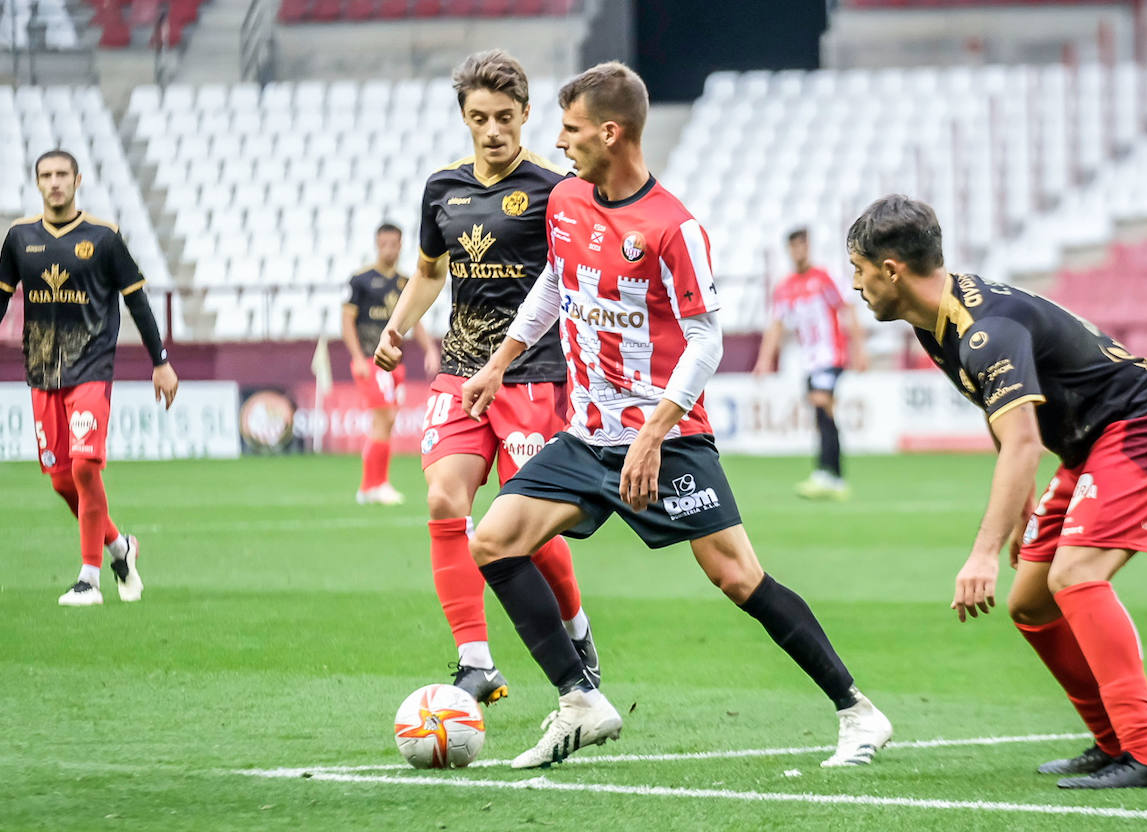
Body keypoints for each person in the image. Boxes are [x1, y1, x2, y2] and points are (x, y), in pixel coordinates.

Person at [461, 62, 892, 770]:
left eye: (570, 130)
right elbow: (553, 285)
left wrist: (655, 430)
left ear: (611, 132)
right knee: (495, 540)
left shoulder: (673, 228)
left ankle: (858, 711)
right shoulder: (566, 200)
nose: (559, 144)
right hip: (587, 436)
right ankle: (579, 701)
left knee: (738, 577)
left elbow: (706, 337)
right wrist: (500, 361)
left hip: (664, 437)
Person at [846, 194, 1147, 789]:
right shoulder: (937, 321)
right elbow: (1007, 419)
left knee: (1075, 577)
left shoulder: (985, 331)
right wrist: (1021, 512)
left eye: (857, 270)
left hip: (1144, 425)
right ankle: (1113, 742)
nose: (855, 286)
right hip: (1089, 446)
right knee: (1031, 604)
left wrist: (983, 552)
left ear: (891, 269)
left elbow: (1023, 441)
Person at [374, 50, 599, 705]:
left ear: (526, 115)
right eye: (480, 118)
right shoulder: (442, 189)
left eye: (505, 117)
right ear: (465, 119)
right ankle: (477, 662)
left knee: (523, 524)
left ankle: (576, 630)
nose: (493, 129)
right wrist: (395, 328)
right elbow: (427, 271)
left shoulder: (557, 189)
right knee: (446, 500)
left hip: (533, 377)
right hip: (461, 372)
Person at [0, 149, 179, 607]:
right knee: (63, 481)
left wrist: (159, 361)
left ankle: (89, 579)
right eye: (46, 175)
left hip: (92, 367)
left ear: (78, 180)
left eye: (62, 174)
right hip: (42, 370)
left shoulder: (104, 237)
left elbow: (137, 301)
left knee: (85, 467)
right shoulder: (20, 238)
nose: (55, 182)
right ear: (37, 182)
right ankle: (121, 548)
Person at [753, 227, 867, 500]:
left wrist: (859, 349)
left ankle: (825, 474)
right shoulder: (785, 287)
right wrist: (764, 359)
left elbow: (847, 308)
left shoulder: (824, 278)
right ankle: (835, 478)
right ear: (789, 250)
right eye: (794, 247)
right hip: (808, 361)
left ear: (808, 247)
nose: (799, 251)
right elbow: (776, 324)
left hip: (830, 355)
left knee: (820, 402)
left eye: (803, 245)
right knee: (822, 414)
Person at [342, 222, 439, 505]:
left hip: (396, 363)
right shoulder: (360, 280)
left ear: (400, 245)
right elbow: (347, 321)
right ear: (376, 244)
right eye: (383, 243)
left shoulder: (404, 283)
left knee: (386, 421)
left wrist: (430, 349)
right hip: (374, 361)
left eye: (393, 244)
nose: (388, 249)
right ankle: (378, 484)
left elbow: (415, 320)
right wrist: (358, 358)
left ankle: (368, 486)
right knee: (384, 418)